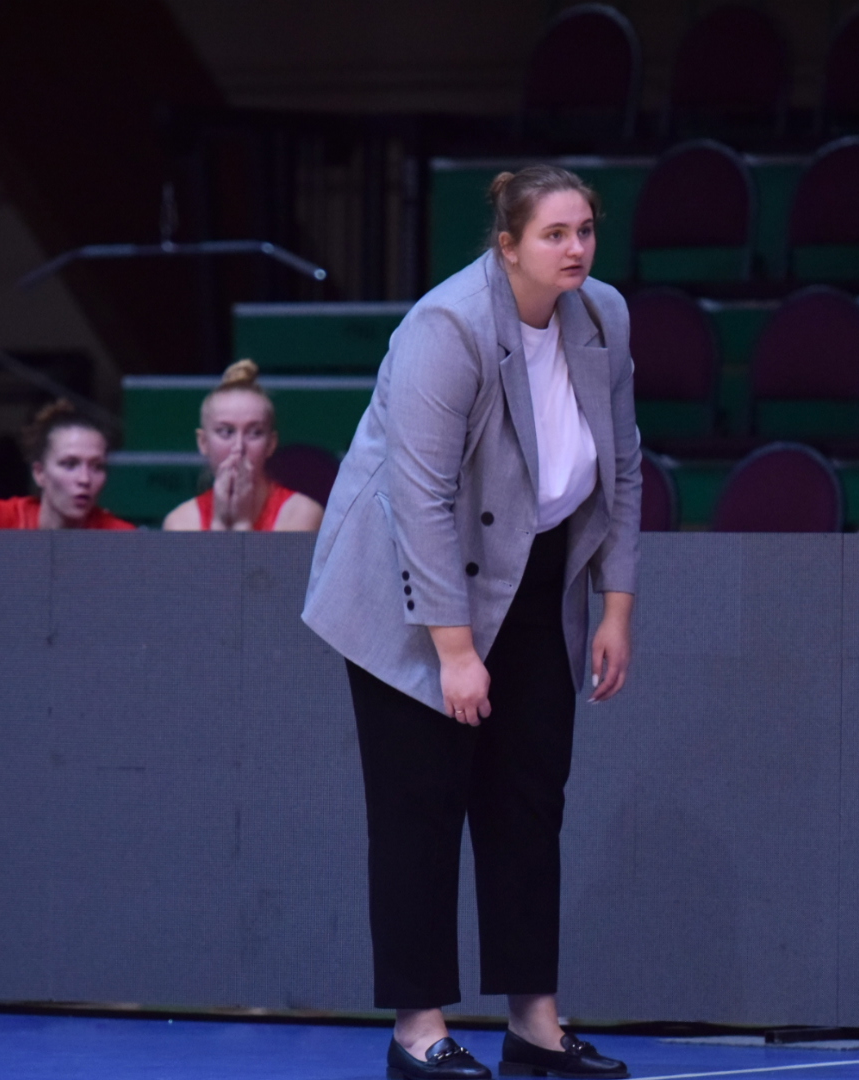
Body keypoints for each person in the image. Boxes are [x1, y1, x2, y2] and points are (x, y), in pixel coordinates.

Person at [302, 166, 640, 1080]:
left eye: (585, 230)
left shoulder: (603, 316)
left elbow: (624, 466)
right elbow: (417, 498)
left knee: (529, 801)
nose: (576, 248)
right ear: (508, 246)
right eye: (555, 234)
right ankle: (419, 1032)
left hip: (535, 576)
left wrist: (615, 604)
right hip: (410, 588)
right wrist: (452, 650)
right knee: (419, 808)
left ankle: (535, 1026)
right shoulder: (447, 326)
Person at [162, 360, 324, 532]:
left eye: (254, 433)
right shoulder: (180, 523)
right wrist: (219, 522)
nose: (239, 447)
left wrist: (242, 523)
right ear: (203, 442)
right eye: (226, 432)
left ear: (271, 444)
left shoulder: (302, 514)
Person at [0, 400, 133, 530]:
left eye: (97, 467)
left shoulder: (120, 539)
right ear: (39, 473)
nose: (85, 479)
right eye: (70, 464)